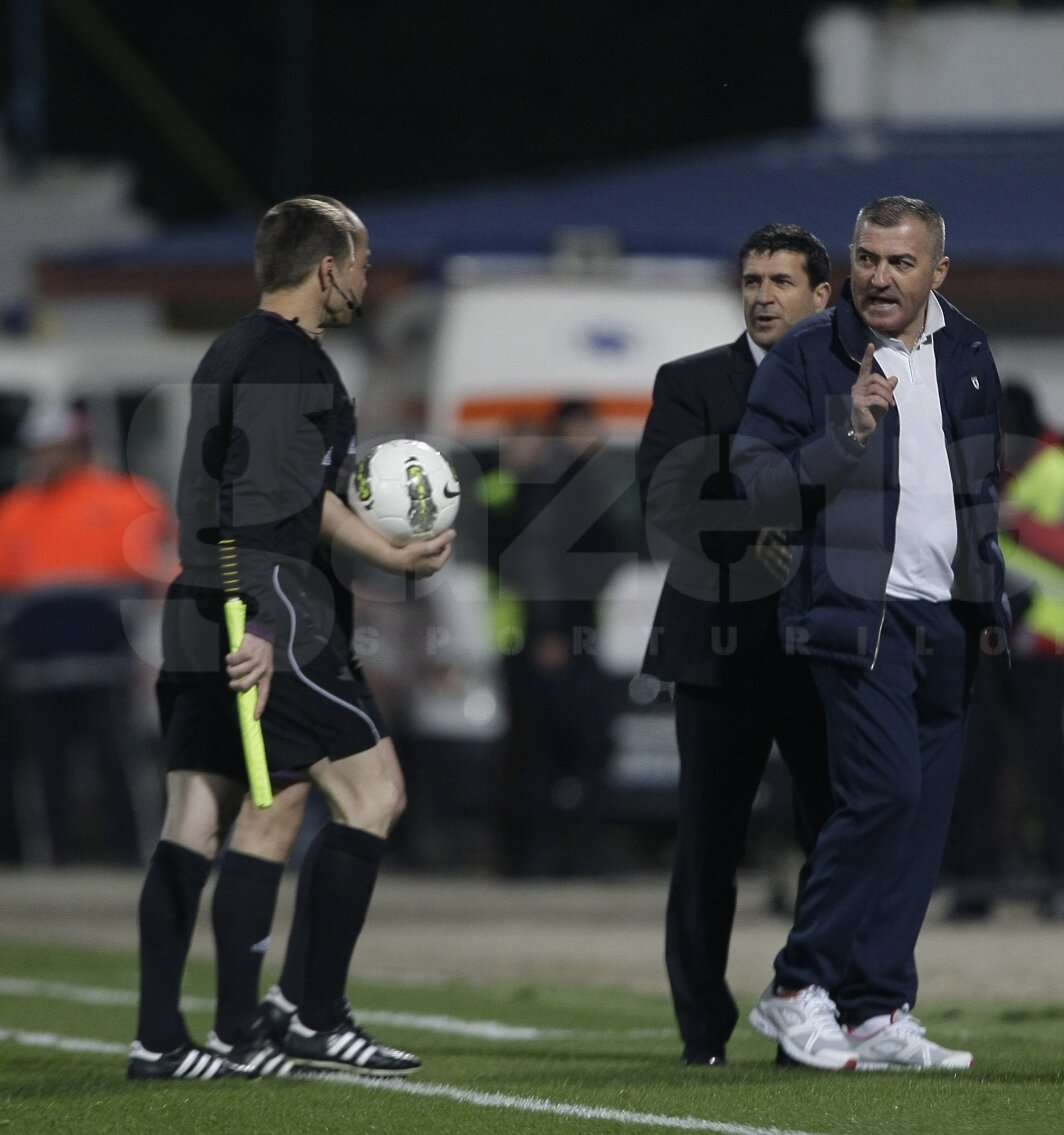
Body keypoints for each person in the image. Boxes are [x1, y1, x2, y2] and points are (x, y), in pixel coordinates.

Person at [128, 195, 454, 1081]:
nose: (366, 276)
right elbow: (262, 504)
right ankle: (310, 1013)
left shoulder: (234, 348)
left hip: (200, 603)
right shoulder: (291, 362)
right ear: (327, 268)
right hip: (266, 607)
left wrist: (388, 550)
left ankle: (174, 1036)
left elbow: (297, 493)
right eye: (362, 260)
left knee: (208, 815)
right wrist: (268, 623)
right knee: (374, 792)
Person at [732, 196, 1009, 1071]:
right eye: (866, 258)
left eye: (900, 262)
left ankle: (876, 1005)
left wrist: (989, 593)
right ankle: (796, 986)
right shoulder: (809, 352)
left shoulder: (969, 350)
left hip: (949, 616)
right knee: (884, 794)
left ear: (938, 271)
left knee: (919, 820)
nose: (880, 277)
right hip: (860, 612)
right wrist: (844, 433)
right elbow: (753, 486)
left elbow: (978, 488)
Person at [635, 223, 834, 1067]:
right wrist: (759, 537)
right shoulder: (690, 383)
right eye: (752, 280)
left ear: (821, 295)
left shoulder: (854, 386)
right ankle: (701, 1030)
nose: (762, 295)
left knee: (832, 838)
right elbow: (666, 498)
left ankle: (811, 1013)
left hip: (826, 650)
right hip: (718, 649)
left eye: (780, 281)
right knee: (708, 844)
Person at [943, 380, 1064, 922]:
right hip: (990, 638)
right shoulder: (987, 468)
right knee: (975, 763)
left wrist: (1015, 520)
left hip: (1046, 642)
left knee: (1045, 764)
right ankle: (974, 883)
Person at [0, 404, 172, 864]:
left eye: (54, 448)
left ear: (77, 448)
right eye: (39, 450)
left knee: (119, 764)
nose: (46, 458)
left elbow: (157, 580)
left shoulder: (126, 499)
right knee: (45, 771)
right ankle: (55, 864)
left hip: (110, 666)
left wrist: (153, 653)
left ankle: (132, 859)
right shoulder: (14, 511)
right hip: (34, 673)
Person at [486, 400, 621, 877]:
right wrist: (551, 631)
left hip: (561, 633)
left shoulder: (578, 482)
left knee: (562, 748)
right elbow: (541, 563)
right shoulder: (552, 485)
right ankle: (546, 854)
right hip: (549, 636)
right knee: (551, 749)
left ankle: (554, 852)